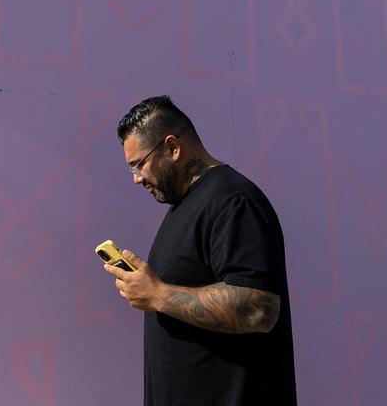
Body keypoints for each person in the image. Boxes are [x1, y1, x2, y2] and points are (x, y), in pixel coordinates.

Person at [106, 95, 297, 405]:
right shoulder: (184, 206)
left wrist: (158, 294)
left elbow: (259, 308)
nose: (136, 179)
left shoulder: (232, 201)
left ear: (172, 147)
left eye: (139, 164)